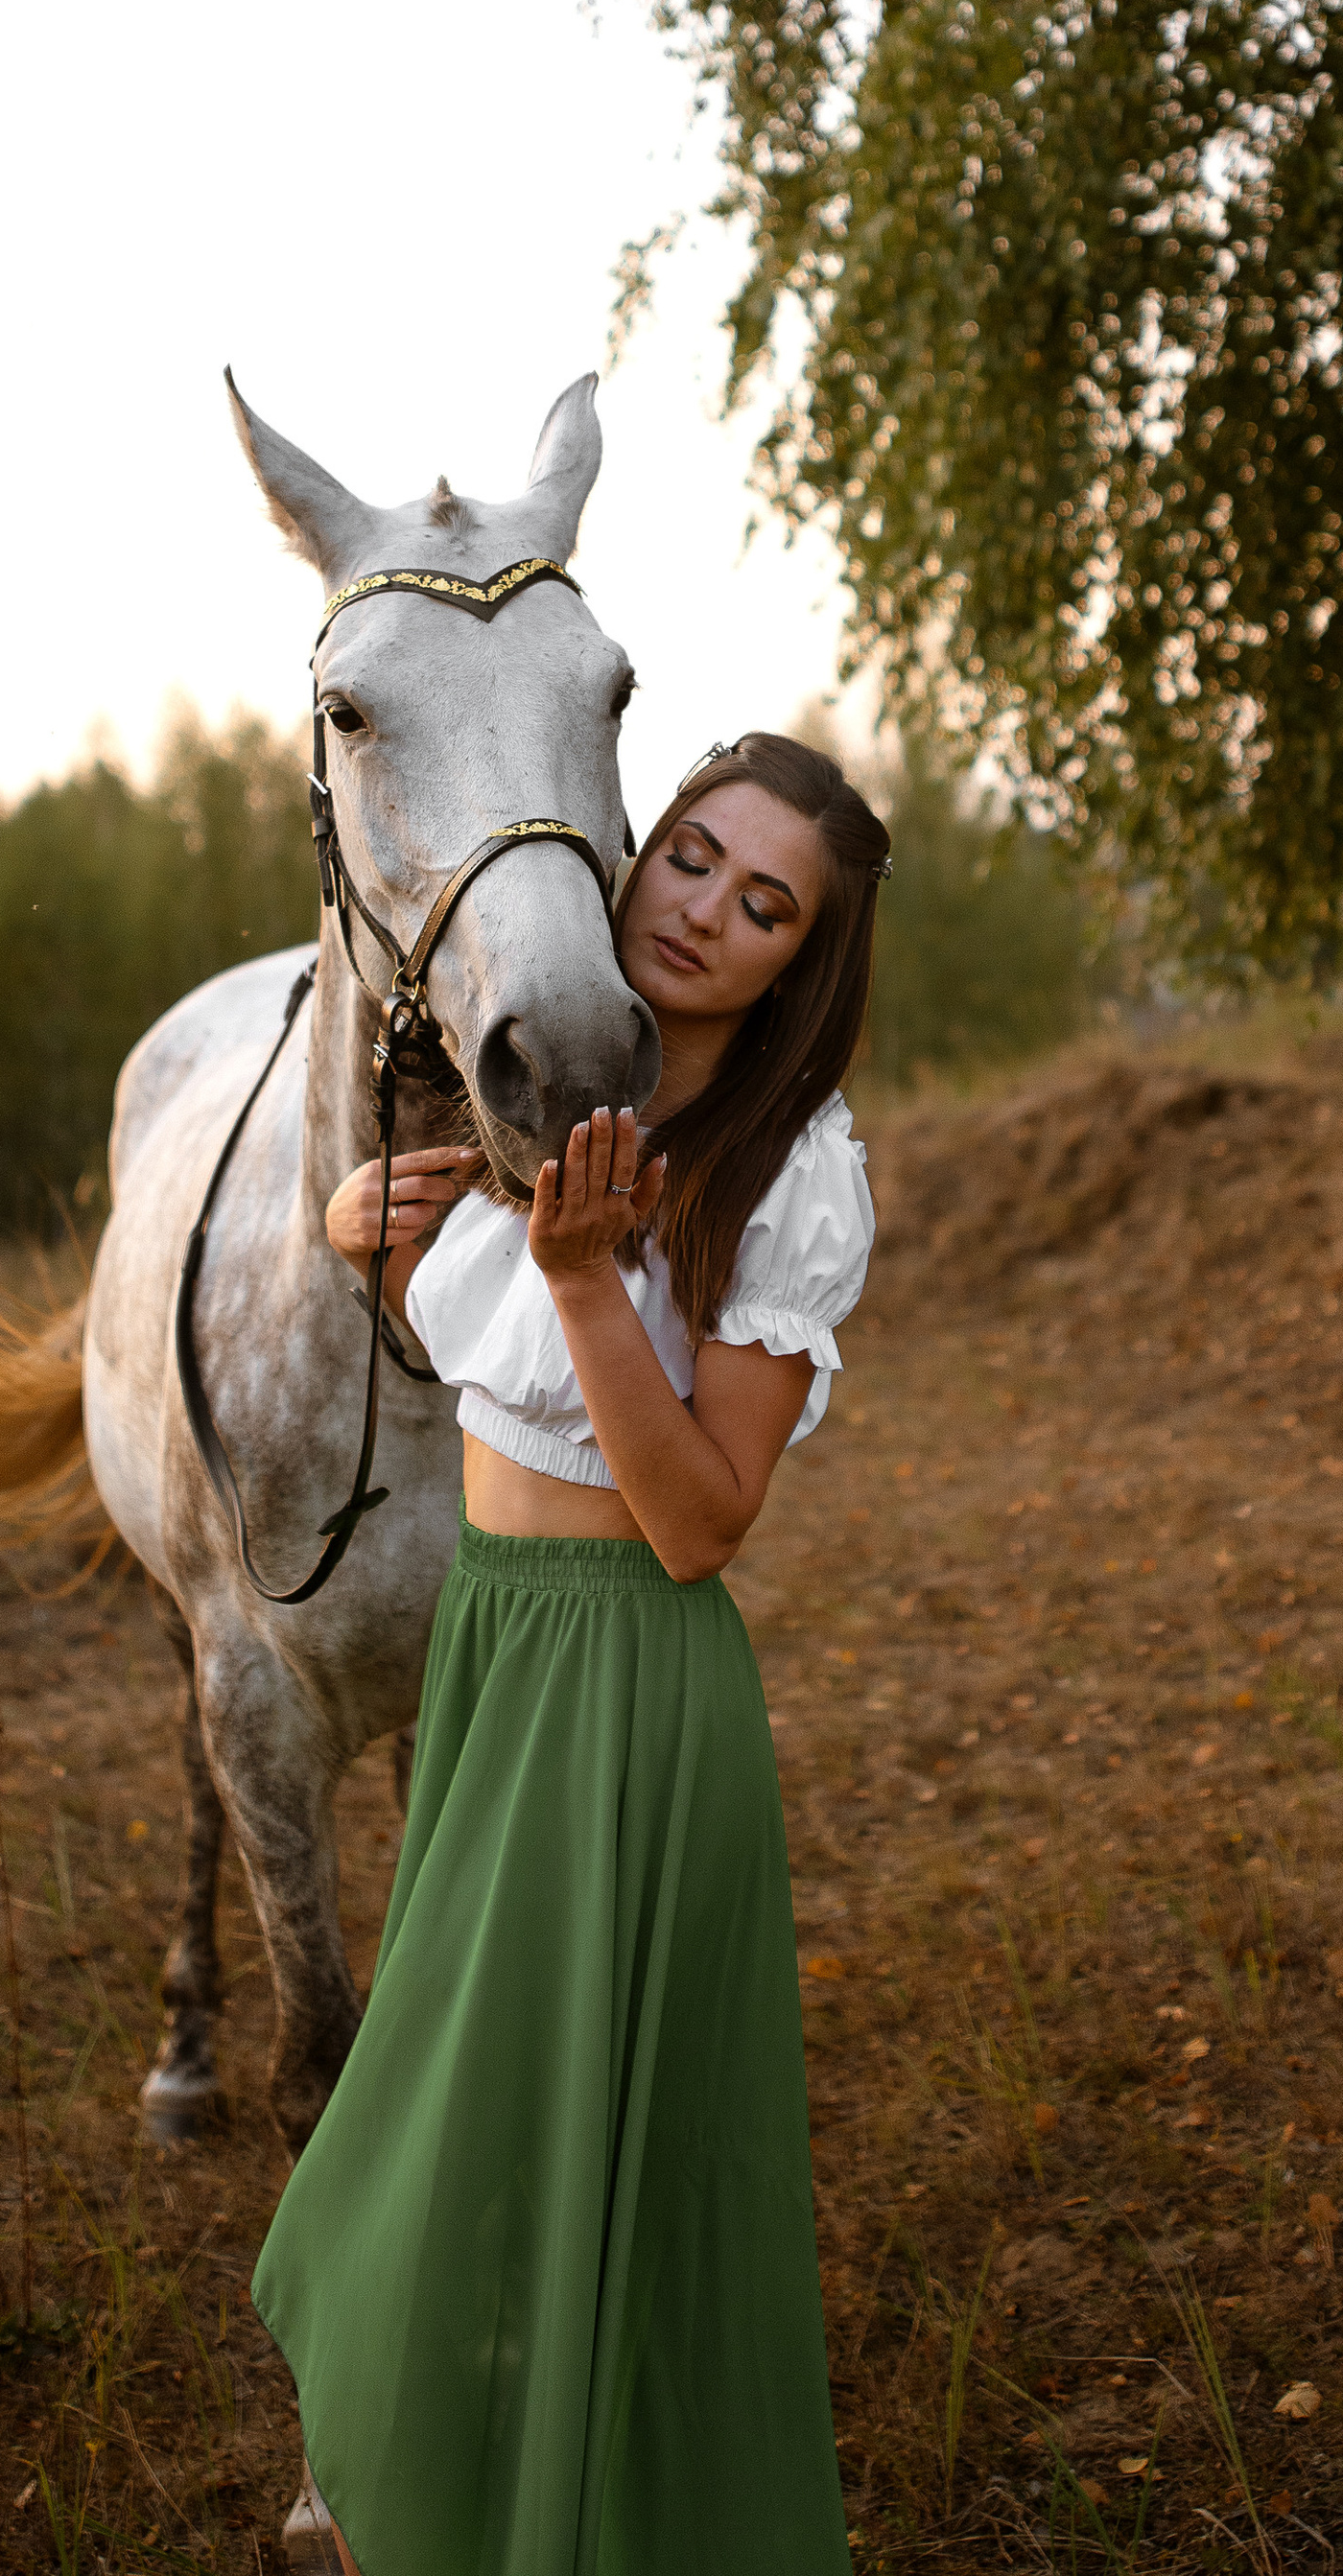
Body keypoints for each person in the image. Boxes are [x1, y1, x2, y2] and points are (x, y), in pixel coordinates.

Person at [251, 728, 891, 2576]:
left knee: (524, 2137)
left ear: (797, 962)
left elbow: (698, 1520)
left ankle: (499, 2528)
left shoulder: (792, 1175)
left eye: (761, 903)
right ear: (637, 840)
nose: (703, 910)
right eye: (692, 856)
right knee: (465, 2123)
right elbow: (507, 1406)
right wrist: (377, 1240)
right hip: (498, 1654)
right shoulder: (531, 1103)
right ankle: (431, 2498)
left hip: (626, 1687)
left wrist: (591, 1273)